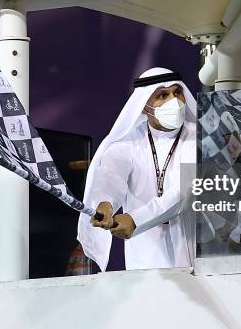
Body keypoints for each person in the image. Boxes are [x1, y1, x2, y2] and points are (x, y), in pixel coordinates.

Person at [77, 67, 197, 271]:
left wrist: (136, 219)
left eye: (177, 93)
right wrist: (105, 205)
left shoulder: (199, 138)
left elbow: (183, 193)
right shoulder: (127, 143)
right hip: (144, 255)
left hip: (194, 250)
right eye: (162, 95)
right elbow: (110, 178)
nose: (173, 102)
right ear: (144, 106)